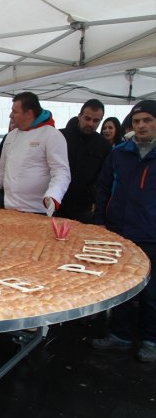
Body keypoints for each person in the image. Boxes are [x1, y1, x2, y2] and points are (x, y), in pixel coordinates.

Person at [91, 99, 156, 363]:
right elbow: (103, 188)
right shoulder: (119, 153)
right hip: (119, 232)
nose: (141, 126)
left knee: (152, 294)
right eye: (137, 121)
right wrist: (99, 223)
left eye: (148, 120)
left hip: (151, 234)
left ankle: (151, 340)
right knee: (120, 287)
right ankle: (120, 335)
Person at [0, 92, 70, 215]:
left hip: (38, 209)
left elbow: (61, 172)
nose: (10, 115)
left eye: (15, 112)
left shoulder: (52, 135)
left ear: (29, 113)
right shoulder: (11, 136)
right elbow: (1, 171)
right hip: (10, 207)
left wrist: (53, 195)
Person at [56, 99, 110, 223]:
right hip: (57, 203)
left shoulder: (103, 146)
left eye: (96, 121)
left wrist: (95, 201)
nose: (90, 123)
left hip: (83, 207)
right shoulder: (60, 136)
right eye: (87, 118)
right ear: (79, 116)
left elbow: (103, 179)